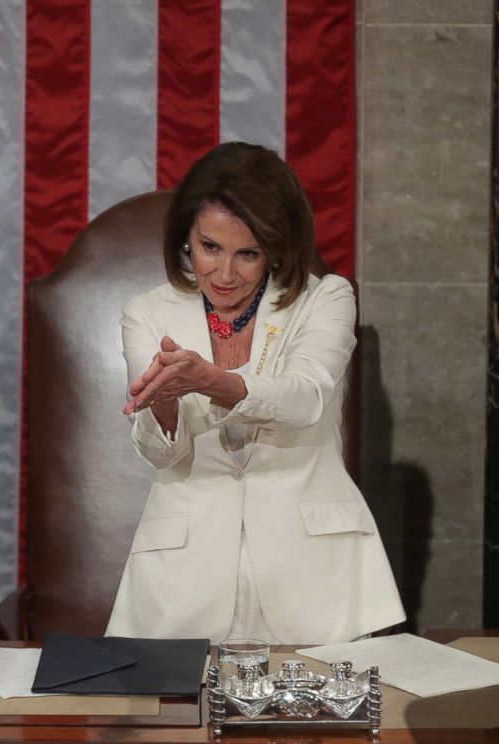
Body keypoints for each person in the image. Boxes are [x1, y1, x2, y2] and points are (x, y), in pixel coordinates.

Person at [105, 142, 404, 645]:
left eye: (248, 253)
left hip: (317, 578)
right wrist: (163, 401)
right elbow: (160, 452)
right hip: (182, 583)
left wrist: (209, 380)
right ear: (186, 240)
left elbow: (303, 398)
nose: (225, 274)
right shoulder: (147, 312)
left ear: (278, 248)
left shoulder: (325, 299)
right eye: (210, 248)